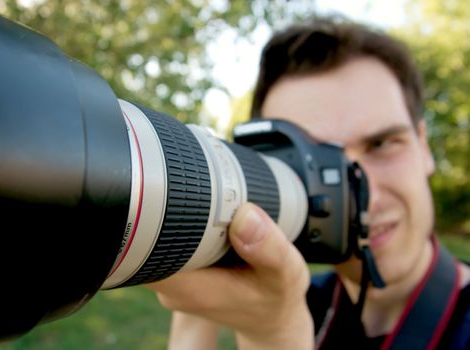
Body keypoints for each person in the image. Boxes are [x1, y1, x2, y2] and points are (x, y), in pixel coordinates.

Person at [147, 17, 470, 349]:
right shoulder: (304, 300)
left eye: (381, 145)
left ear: (424, 146)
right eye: (317, 171)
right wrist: (198, 295)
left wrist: (274, 336)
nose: (365, 201)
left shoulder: (284, 314)